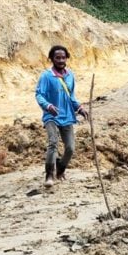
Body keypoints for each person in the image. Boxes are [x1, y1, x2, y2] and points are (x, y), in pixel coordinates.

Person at [35, 45, 88, 188]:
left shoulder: (70, 76)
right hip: (51, 116)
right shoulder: (46, 76)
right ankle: (49, 175)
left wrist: (79, 107)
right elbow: (39, 94)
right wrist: (48, 106)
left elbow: (71, 96)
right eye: (57, 57)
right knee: (53, 143)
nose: (60, 60)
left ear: (67, 58)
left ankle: (61, 168)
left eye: (63, 57)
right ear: (51, 59)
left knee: (70, 148)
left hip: (67, 116)